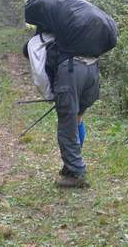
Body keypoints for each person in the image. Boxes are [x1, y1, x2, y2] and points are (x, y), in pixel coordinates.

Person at [24, 32, 99, 188]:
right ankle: (72, 165)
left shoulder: (35, 45)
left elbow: (40, 76)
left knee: (67, 125)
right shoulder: (64, 34)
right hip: (92, 69)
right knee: (78, 119)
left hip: (71, 71)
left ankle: (76, 173)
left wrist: (51, 95)